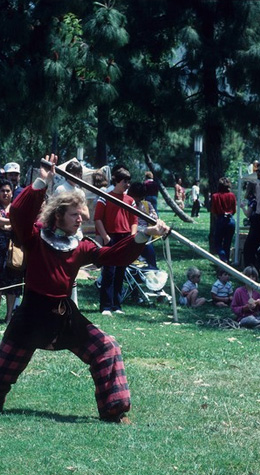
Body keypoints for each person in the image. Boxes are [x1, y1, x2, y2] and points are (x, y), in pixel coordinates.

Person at [0, 153, 169, 423]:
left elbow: (113, 256)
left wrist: (144, 235)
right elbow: (20, 213)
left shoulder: (81, 246)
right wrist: (41, 182)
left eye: (81, 214)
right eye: (74, 215)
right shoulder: (35, 237)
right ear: (57, 216)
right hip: (31, 316)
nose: (81, 219)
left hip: (64, 317)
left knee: (107, 350)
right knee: (2, 371)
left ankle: (114, 411)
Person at [94, 167, 137, 316]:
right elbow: (97, 218)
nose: (127, 185)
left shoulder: (130, 200)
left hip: (125, 238)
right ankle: (105, 306)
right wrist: (105, 237)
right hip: (111, 237)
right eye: (125, 181)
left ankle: (116, 305)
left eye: (129, 182)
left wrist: (132, 237)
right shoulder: (105, 197)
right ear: (117, 181)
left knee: (121, 271)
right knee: (109, 272)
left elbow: (134, 220)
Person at [0, 179, 23, 323]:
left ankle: (9, 316)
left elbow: (22, 221)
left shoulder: (16, 207)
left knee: (12, 284)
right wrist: (12, 222)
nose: (5, 193)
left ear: (12, 193)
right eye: (2, 190)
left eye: (8, 191)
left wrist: (8, 223)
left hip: (14, 251)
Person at [127, 182, 159, 270]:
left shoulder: (147, 204)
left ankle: (152, 268)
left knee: (148, 248)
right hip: (131, 233)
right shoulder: (126, 204)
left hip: (145, 234)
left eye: (140, 197)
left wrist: (142, 211)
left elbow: (155, 219)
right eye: (135, 196)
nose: (137, 199)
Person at [210, 177, 236, 262]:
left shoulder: (215, 196)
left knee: (217, 243)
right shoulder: (232, 195)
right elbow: (234, 210)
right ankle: (227, 262)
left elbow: (214, 211)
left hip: (221, 218)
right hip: (231, 220)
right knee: (227, 244)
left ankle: (223, 258)